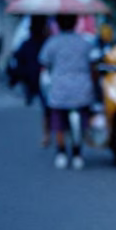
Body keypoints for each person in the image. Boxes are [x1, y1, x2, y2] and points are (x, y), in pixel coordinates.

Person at [39, 13, 96, 170]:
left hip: (59, 90)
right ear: (76, 22)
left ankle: (61, 152)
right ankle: (79, 152)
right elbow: (93, 66)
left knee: (58, 122)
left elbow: (44, 65)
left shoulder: (52, 43)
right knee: (85, 117)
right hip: (82, 90)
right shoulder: (84, 42)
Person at [14, 16, 51, 146]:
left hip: (38, 80)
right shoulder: (47, 43)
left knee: (47, 108)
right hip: (43, 81)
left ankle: (48, 134)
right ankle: (48, 134)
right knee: (48, 108)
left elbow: (18, 59)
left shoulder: (30, 43)